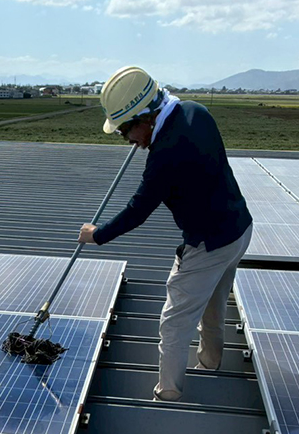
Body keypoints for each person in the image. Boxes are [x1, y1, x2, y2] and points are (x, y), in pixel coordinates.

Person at [78, 66, 252, 402]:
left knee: (174, 323)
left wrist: (96, 235)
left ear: (146, 118)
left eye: (125, 131)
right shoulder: (195, 112)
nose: (128, 140)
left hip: (209, 244)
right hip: (239, 230)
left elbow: (137, 211)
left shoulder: (165, 156)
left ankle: (168, 395)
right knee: (214, 305)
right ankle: (211, 364)